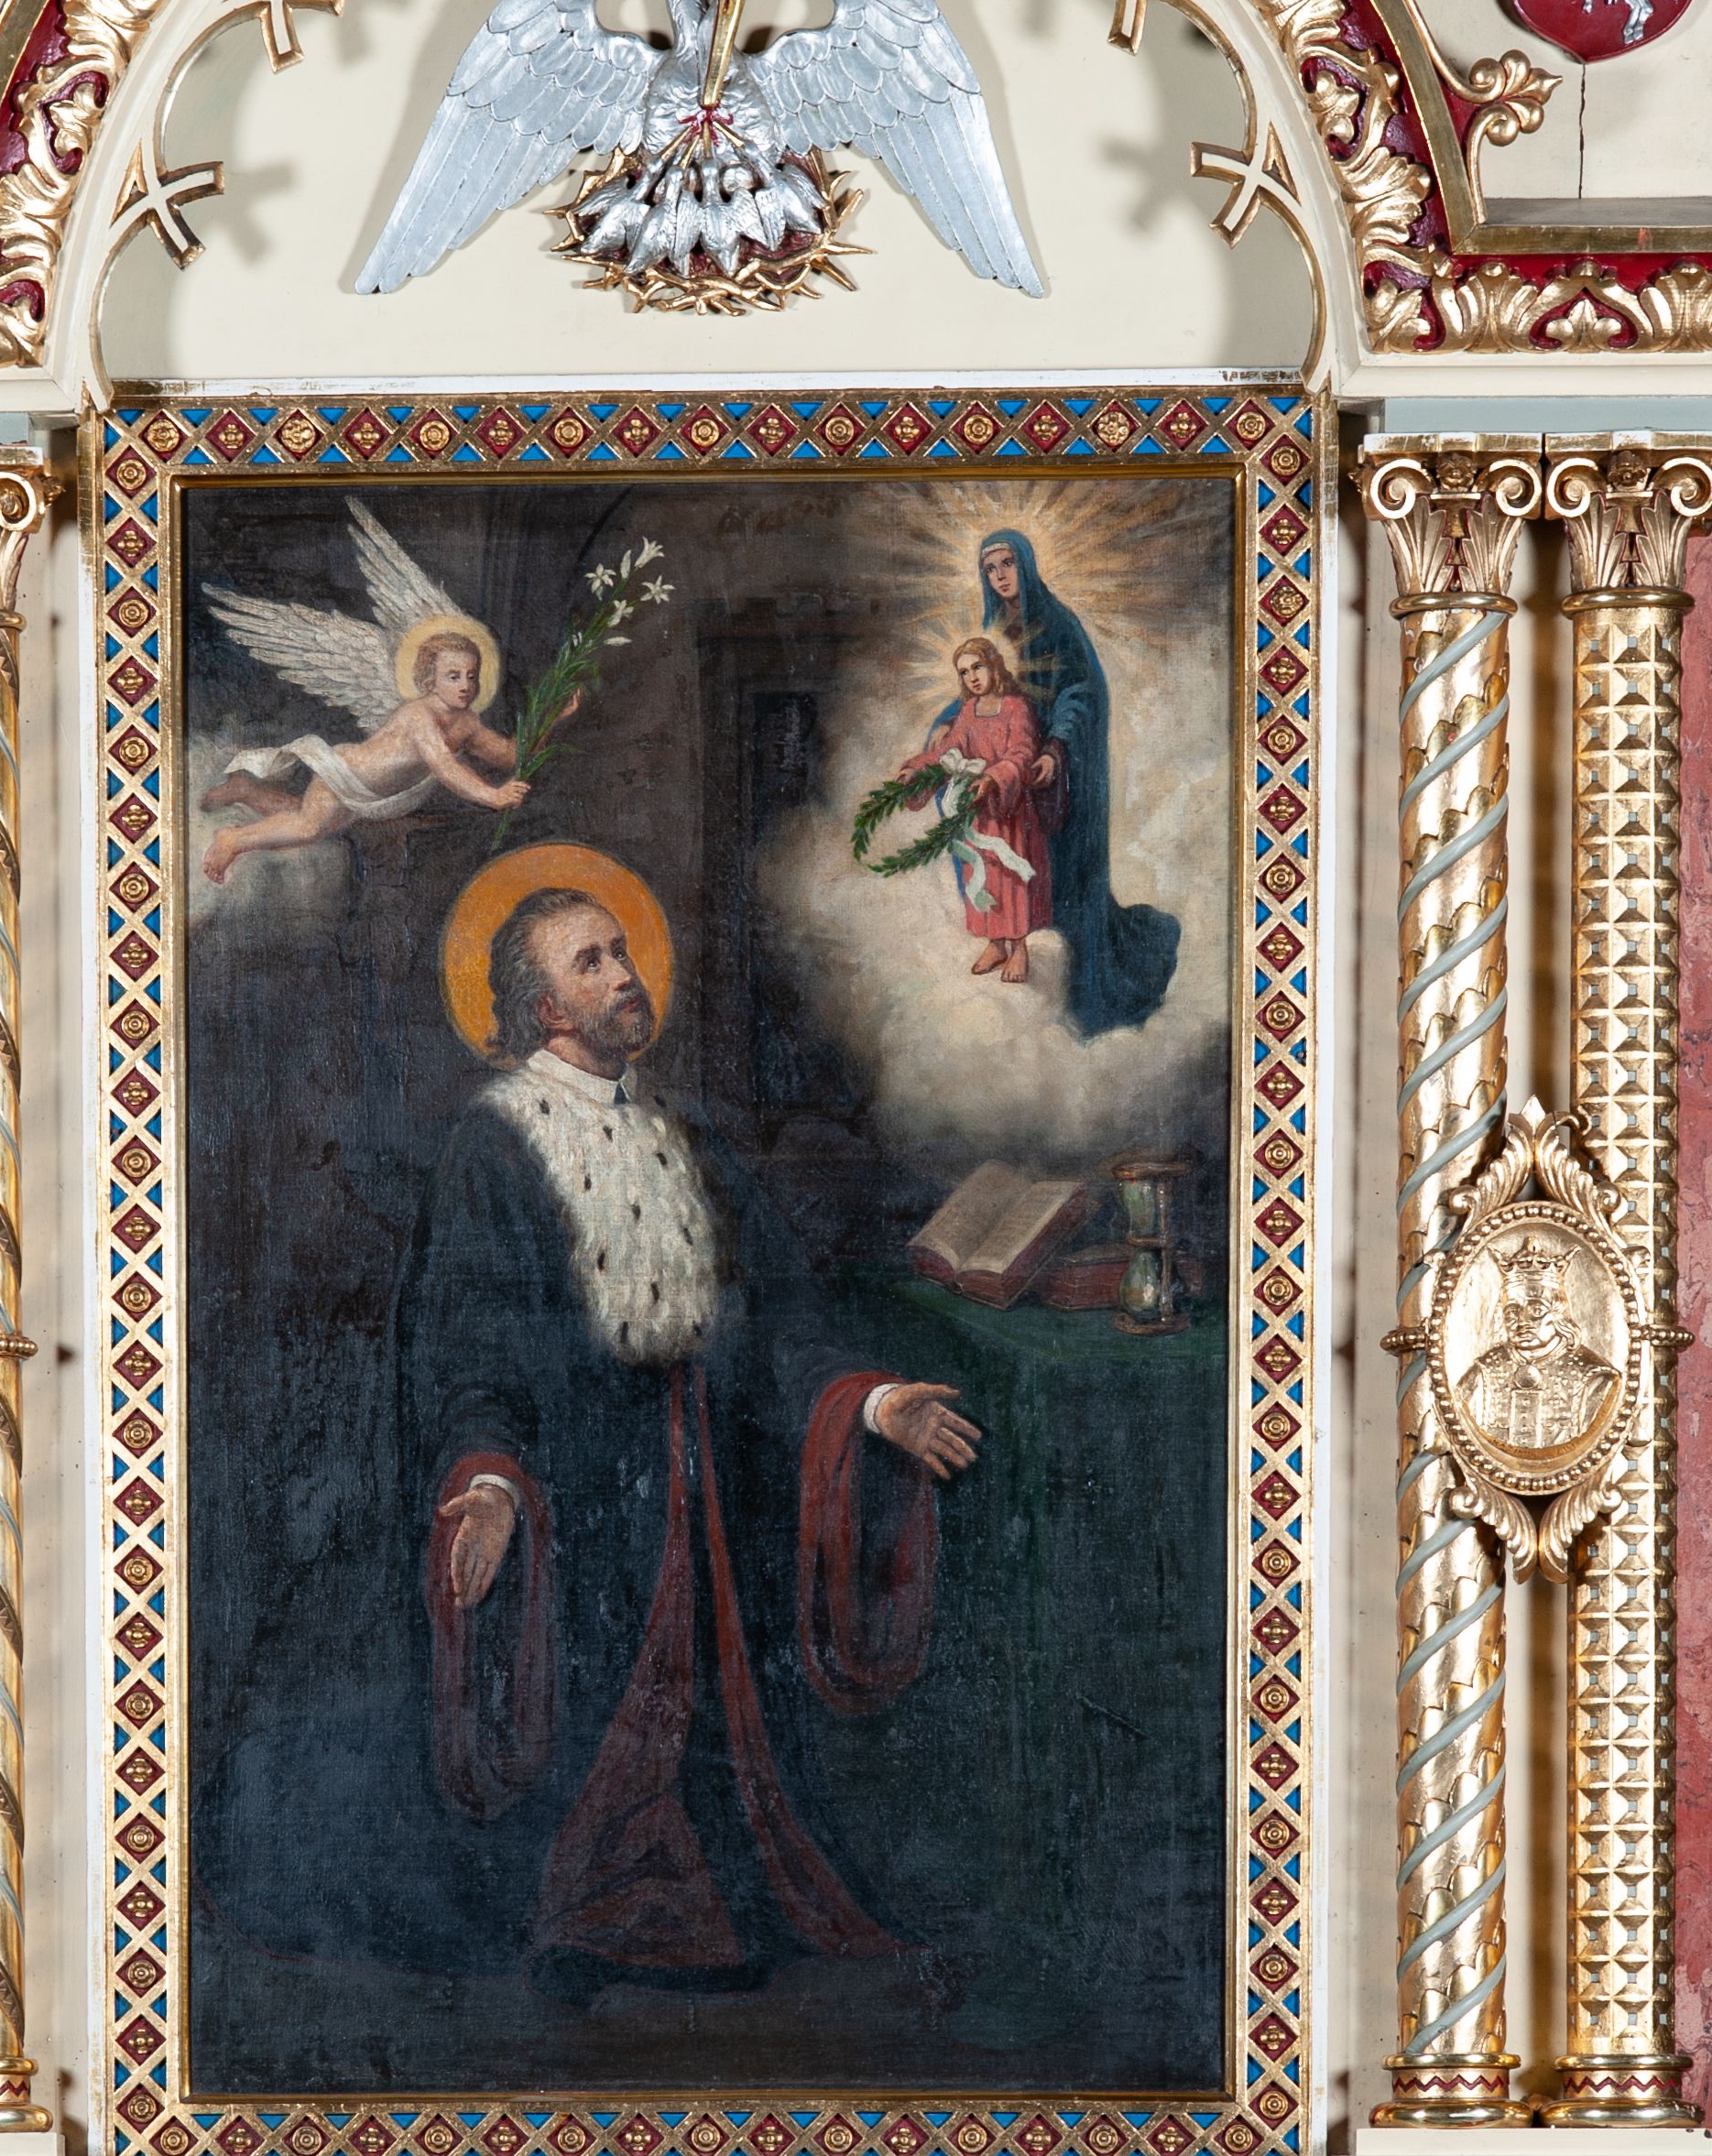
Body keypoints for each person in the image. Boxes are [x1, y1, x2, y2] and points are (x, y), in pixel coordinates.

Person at [393, 881, 981, 1999]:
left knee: (724, 1731)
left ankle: (732, 1910)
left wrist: (870, 1404)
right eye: (591, 962)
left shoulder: (686, 1128)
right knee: (597, 1717)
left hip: (720, 1479)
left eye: (623, 951)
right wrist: (491, 1480)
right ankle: (586, 1922)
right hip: (581, 1485)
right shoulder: (492, 1143)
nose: (625, 976)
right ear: (542, 1008)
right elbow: (470, 1345)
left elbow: (782, 1309)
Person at [936, 528, 1179, 1035]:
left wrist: (1056, 746)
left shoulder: (1057, 623)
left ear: (1025, 564)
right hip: (1006, 767)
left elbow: (1081, 691)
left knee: (1060, 870)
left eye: (1007, 564)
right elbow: (982, 687)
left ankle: (1079, 990)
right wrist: (946, 721)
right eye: (990, 569)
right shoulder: (993, 626)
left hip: (1047, 765)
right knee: (1000, 858)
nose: (1000, 576)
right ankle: (1005, 939)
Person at [202, 629, 529, 881]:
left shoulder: (467, 723)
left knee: (307, 823)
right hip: (345, 771)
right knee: (307, 827)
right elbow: (444, 766)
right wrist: (493, 796)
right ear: (431, 680)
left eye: (471, 675)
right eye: (453, 676)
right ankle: (233, 839)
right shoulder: (419, 715)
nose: (465, 685)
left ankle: (246, 792)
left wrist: (546, 720)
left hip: (366, 794)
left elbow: (508, 756)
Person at [908, 635, 1055, 986]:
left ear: (994, 666)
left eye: (977, 667)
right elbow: (949, 751)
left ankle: (1018, 946)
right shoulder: (968, 712)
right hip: (976, 811)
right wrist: (915, 771)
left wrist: (993, 777)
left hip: (1009, 810)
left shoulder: (1016, 707)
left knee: (1010, 875)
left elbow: (1022, 752)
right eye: (964, 672)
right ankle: (996, 943)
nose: (972, 677)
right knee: (982, 874)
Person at [1462, 1235, 1618, 1453]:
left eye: (1535, 1310)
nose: (1522, 1322)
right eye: (1512, 1312)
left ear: (1559, 1314)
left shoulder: (1595, 1378)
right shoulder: (1483, 1373)